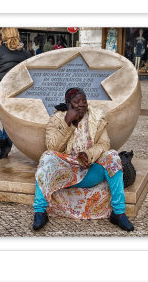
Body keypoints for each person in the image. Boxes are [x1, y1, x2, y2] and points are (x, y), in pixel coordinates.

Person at [32, 88, 134, 232]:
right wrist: (67, 122)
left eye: (84, 101)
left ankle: (118, 213)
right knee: (47, 157)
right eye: (76, 102)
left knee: (112, 156)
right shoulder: (57, 119)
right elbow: (52, 146)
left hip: (89, 170)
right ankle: (40, 212)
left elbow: (104, 144)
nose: (81, 105)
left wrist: (88, 154)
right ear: (68, 104)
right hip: (66, 171)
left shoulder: (96, 118)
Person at [0, 28, 32, 161]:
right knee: (8, 125)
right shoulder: (26, 54)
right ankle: (3, 153)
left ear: (3, 36)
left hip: (0, 93)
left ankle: (2, 142)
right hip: (17, 95)